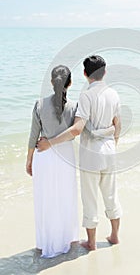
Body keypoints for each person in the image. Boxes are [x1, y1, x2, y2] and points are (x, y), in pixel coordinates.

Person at [37, 55, 123, 251]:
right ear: (105, 72)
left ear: (85, 74)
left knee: (90, 198)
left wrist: (50, 142)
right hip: (110, 152)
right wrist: (112, 143)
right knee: (111, 195)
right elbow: (118, 125)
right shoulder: (114, 94)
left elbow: (77, 129)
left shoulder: (86, 96)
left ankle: (91, 243)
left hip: (91, 155)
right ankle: (115, 236)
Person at [26, 65, 79, 258]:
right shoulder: (74, 106)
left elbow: (33, 136)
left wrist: (29, 159)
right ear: (70, 83)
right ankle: (65, 240)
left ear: (51, 82)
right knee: (64, 198)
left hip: (44, 157)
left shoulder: (39, 104)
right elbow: (75, 132)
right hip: (66, 157)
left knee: (46, 200)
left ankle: (46, 242)